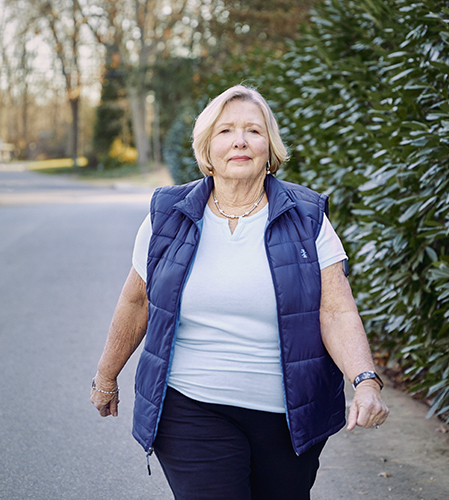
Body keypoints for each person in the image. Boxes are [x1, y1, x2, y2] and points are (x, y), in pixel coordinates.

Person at [90, 84, 389, 499]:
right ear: (207, 149)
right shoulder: (167, 217)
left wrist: (365, 380)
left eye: (254, 130)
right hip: (190, 404)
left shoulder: (308, 219)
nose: (240, 141)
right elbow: (135, 300)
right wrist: (106, 376)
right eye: (226, 131)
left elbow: (336, 311)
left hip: (288, 416)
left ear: (271, 147)